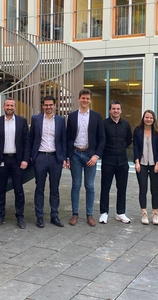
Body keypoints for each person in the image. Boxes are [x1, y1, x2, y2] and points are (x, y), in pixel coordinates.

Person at [65, 88, 105, 227]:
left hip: (90, 156)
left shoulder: (96, 116)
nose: (85, 100)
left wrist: (96, 155)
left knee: (90, 185)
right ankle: (75, 214)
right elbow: (68, 137)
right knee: (76, 185)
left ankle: (89, 215)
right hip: (75, 154)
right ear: (79, 99)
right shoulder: (71, 116)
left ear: (90, 100)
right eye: (83, 98)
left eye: (88, 98)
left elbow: (102, 138)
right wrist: (68, 156)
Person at [0, 98, 30, 229]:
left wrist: (25, 159)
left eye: (12, 105)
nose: (9, 107)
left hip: (17, 161)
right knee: (0, 190)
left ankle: (20, 217)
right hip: (1, 160)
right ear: (3, 106)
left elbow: (26, 142)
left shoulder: (22, 121)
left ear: (15, 107)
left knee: (18, 190)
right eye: (7, 105)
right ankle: (0, 216)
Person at [29, 96, 67, 228]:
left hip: (56, 158)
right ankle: (39, 217)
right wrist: (31, 156)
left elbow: (63, 140)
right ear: (43, 106)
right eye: (46, 105)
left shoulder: (61, 121)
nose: (48, 107)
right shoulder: (36, 119)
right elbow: (31, 138)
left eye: (51, 105)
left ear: (55, 105)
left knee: (54, 189)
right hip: (40, 157)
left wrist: (64, 158)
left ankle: (54, 216)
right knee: (39, 188)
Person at [98, 101, 132, 224]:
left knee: (122, 187)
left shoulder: (126, 125)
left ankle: (120, 212)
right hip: (108, 160)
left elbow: (128, 140)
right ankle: (104, 212)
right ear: (109, 110)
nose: (116, 111)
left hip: (122, 161)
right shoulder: (103, 124)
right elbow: (100, 139)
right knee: (105, 187)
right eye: (113, 109)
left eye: (118, 109)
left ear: (121, 110)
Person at [133, 109, 158, 225]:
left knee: (154, 190)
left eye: (151, 117)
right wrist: (136, 162)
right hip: (142, 164)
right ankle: (144, 213)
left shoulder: (157, 131)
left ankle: (155, 214)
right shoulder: (137, 131)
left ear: (153, 119)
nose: (148, 119)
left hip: (154, 165)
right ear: (143, 118)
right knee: (143, 189)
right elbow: (135, 147)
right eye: (146, 117)